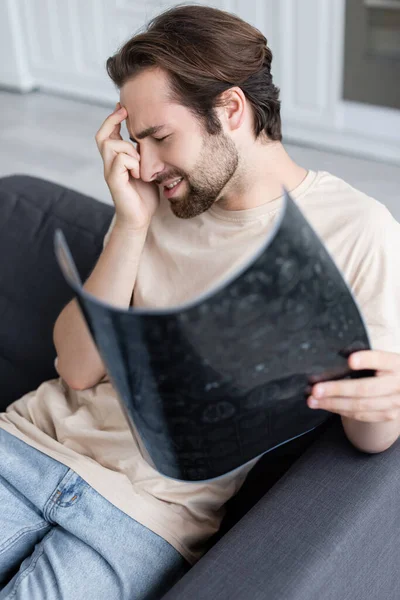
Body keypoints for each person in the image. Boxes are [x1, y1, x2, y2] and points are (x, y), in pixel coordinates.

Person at [1, 4, 400, 599]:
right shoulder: (160, 202)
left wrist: (382, 404)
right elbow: (78, 370)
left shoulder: (356, 231)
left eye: (160, 136)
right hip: (26, 447)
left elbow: (373, 440)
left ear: (230, 110)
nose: (150, 163)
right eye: (138, 141)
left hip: (141, 518)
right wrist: (130, 224)